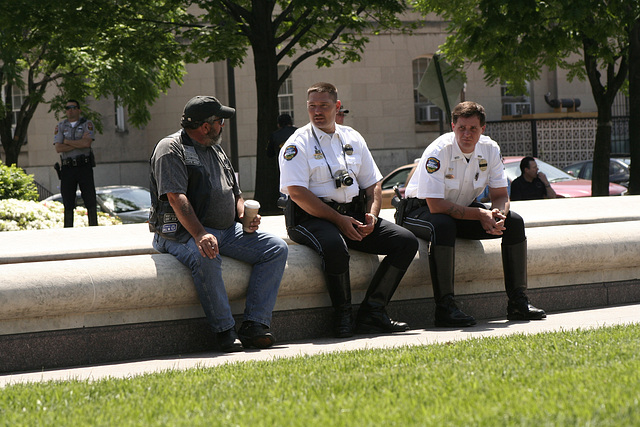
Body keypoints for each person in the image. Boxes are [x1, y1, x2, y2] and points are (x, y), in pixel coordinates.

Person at [149, 95, 289, 352]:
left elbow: (234, 192)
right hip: (182, 232)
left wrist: (245, 215)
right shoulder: (170, 149)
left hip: (227, 230)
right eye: (220, 121)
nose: (223, 125)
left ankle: (255, 325)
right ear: (205, 126)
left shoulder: (216, 149)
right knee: (206, 256)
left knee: (276, 249)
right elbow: (175, 197)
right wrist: (200, 234)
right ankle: (224, 330)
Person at [279, 82, 418, 338]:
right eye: (312, 106)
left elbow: (372, 184)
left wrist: (372, 216)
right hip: (309, 218)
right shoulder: (297, 144)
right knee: (335, 247)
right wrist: (338, 220)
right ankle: (343, 315)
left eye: (324, 106)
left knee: (406, 242)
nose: (317, 112)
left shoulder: (353, 137)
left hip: (352, 214)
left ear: (337, 106)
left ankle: (373, 312)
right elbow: (297, 193)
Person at [401, 101, 545, 327]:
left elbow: (499, 194)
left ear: (483, 129)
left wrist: (498, 215)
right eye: (461, 128)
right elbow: (436, 205)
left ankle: (518, 303)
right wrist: (480, 215)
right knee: (443, 224)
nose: (466, 134)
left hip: (460, 210)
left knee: (514, 222)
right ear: (453, 126)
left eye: (473, 129)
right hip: (419, 210)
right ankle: (445, 308)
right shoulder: (438, 151)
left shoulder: (490, 149)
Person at [53, 99, 98, 227]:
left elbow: (87, 143)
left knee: (90, 200)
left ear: (79, 110)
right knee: (68, 201)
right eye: (67, 108)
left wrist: (66, 141)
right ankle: (68, 229)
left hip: (84, 165)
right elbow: (58, 148)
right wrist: (78, 144)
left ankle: (94, 228)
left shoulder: (86, 124)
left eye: (73, 107)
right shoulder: (61, 126)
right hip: (68, 167)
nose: (70, 110)